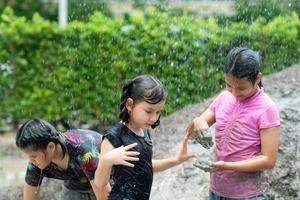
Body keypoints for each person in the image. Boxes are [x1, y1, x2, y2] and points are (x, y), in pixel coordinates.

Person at [187, 47, 280, 200]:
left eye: (241, 88)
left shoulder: (267, 109)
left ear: (257, 78)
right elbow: (195, 127)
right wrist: (198, 121)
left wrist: (227, 166)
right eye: (229, 85)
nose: (234, 93)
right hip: (216, 191)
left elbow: (268, 161)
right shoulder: (224, 97)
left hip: (248, 195)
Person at [94, 74, 195, 200]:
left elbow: (144, 166)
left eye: (158, 112)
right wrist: (107, 160)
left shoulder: (145, 132)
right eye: (148, 111)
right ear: (130, 105)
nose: (154, 118)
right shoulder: (114, 136)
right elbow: (99, 183)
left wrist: (177, 160)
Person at [15, 118, 111, 200]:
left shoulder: (85, 153)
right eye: (28, 156)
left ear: (51, 147)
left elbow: (105, 196)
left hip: (110, 178)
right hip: (76, 184)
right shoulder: (36, 163)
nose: (31, 161)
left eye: (33, 156)